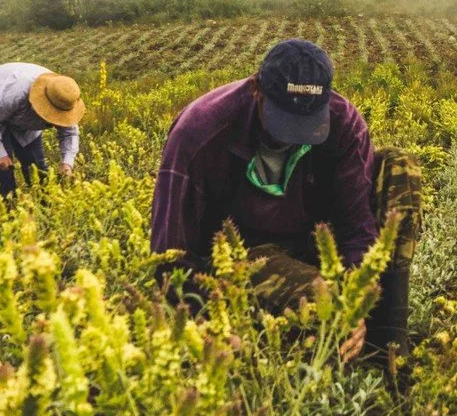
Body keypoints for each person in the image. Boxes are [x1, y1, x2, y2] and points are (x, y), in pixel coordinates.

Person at [149, 38, 420, 360]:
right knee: (322, 304)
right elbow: (171, 256)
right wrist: (211, 324)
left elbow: (356, 230)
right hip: (243, 258)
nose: (292, 136)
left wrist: (356, 302)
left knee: (400, 166)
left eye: (306, 125)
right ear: (256, 91)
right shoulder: (200, 130)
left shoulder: (343, 120)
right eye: (285, 121)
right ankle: (322, 330)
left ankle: (386, 341)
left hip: (314, 243)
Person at [0, 63, 84, 198]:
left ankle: (43, 204)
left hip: (21, 112)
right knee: (1, 170)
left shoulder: (64, 97)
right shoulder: (18, 91)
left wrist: (67, 164)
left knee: (36, 165)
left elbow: (69, 133)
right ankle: (4, 208)